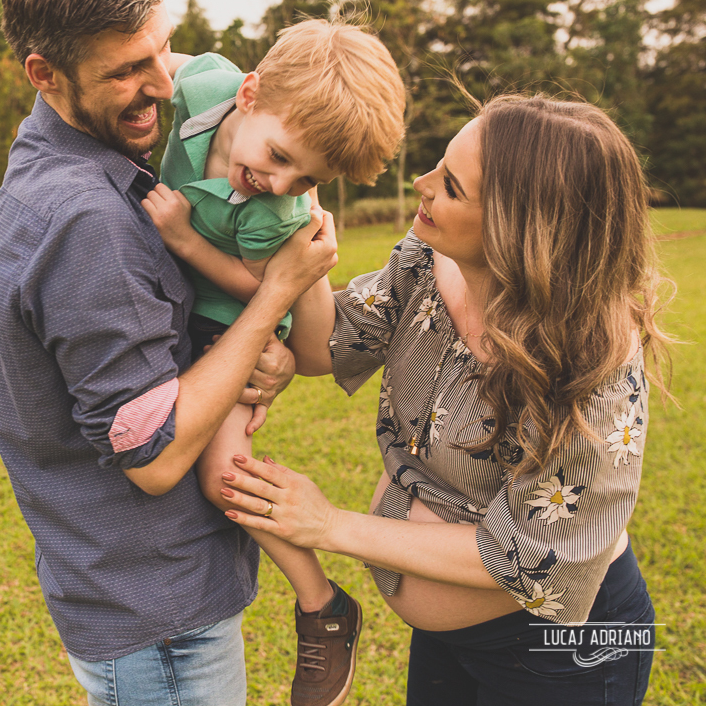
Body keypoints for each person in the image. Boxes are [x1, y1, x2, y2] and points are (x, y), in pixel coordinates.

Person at [0, 0, 339, 706]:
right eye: (126, 72)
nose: (163, 86)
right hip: (157, 613)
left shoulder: (61, 145)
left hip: (133, 587)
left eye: (162, 51)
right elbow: (155, 456)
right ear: (45, 73)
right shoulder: (88, 219)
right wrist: (273, 299)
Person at [217, 94, 669, 705]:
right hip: (449, 639)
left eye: (451, 185)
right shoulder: (429, 255)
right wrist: (303, 259)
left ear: (521, 227)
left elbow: (536, 560)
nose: (421, 184)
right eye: (439, 163)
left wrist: (327, 525)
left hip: (562, 658)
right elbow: (334, 344)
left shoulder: (594, 365)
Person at [140, 20, 405, 706]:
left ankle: (322, 603)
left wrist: (185, 243)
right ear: (249, 93)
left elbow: (269, 291)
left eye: (307, 177)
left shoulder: (275, 212)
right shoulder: (205, 87)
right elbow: (164, 60)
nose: (280, 180)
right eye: (281, 155)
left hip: (230, 326)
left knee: (220, 478)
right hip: (174, 311)